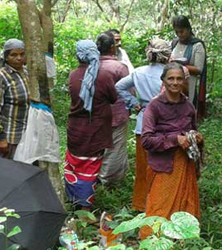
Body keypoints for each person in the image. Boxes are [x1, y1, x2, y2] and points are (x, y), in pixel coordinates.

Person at [141, 62, 203, 235]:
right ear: (163, 81)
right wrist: (175, 139)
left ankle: (183, 239)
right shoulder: (154, 106)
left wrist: (196, 138)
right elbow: (146, 140)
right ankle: (153, 241)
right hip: (163, 166)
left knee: (185, 203)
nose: (175, 83)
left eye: (179, 79)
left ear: (184, 81)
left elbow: (193, 128)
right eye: (171, 79)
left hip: (185, 163)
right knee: (159, 208)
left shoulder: (188, 106)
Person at [115, 38, 171, 211]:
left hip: (143, 123)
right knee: (163, 166)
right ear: (167, 54)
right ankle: (160, 204)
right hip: (166, 124)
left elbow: (119, 86)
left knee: (143, 167)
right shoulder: (172, 74)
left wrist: (134, 103)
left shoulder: (139, 72)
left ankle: (141, 204)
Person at [64, 40, 118, 209]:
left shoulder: (73, 75)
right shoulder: (104, 76)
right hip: (96, 130)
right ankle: (85, 208)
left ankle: (72, 200)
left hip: (75, 129)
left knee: (74, 164)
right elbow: (113, 98)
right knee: (90, 167)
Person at [0, 39, 29, 160]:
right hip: (11, 138)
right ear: (6, 57)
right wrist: (1, 138)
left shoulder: (26, 73)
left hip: (28, 136)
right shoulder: (1, 76)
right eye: (14, 55)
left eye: (22, 54)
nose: (19, 58)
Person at [96, 32, 130, 185]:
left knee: (100, 146)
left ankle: (97, 175)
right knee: (115, 147)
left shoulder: (92, 65)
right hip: (117, 112)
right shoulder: (119, 67)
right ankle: (108, 180)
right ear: (111, 48)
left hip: (96, 113)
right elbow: (129, 91)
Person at [170, 15, 207, 118]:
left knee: (186, 114)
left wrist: (180, 64)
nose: (179, 34)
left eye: (182, 31)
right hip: (173, 84)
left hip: (189, 85)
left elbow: (199, 69)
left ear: (188, 29)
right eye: (177, 32)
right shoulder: (174, 43)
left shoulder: (197, 45)